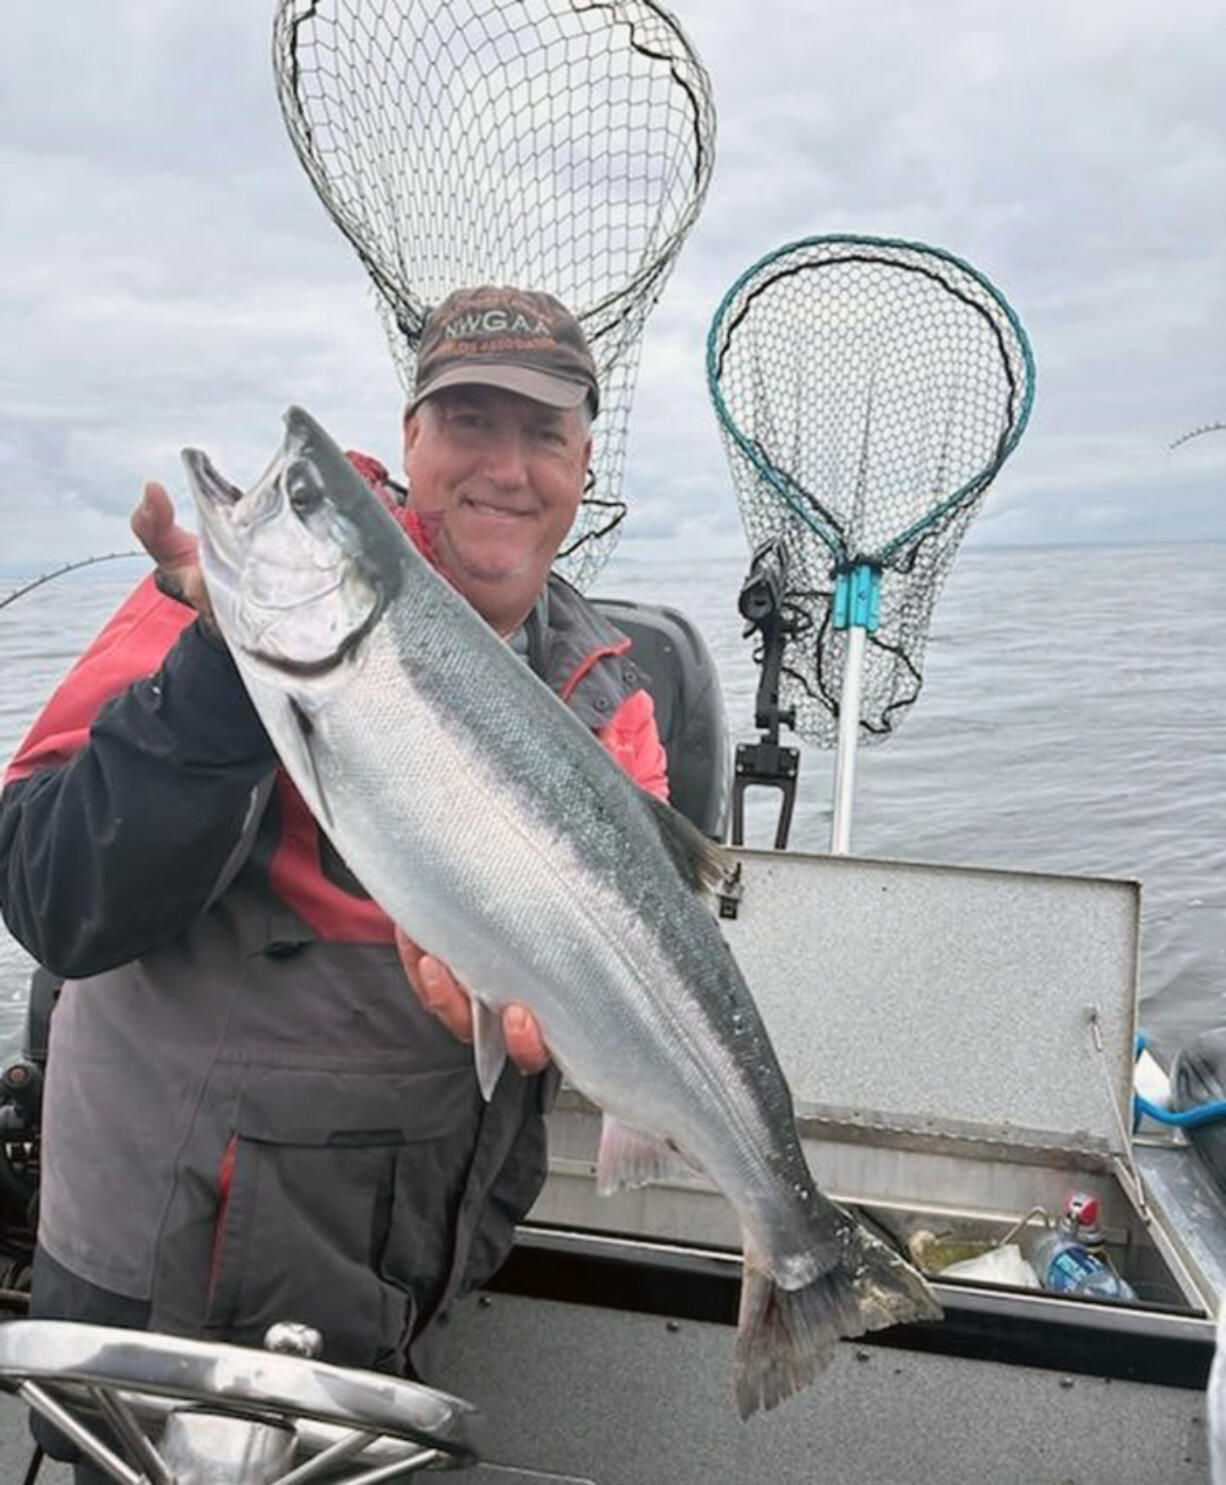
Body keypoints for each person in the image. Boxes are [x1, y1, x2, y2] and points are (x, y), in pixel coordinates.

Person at [0, 286, 668, 1481]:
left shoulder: (608, 694)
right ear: (409, 438)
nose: (504, 468)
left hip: (394, 1271)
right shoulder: (241, 589)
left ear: (583, 462)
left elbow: (617, 978)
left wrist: (550, 1016)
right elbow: (54, 894)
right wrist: (219, 667)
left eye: (544, 433)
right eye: (467, 421)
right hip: (169, 1280)